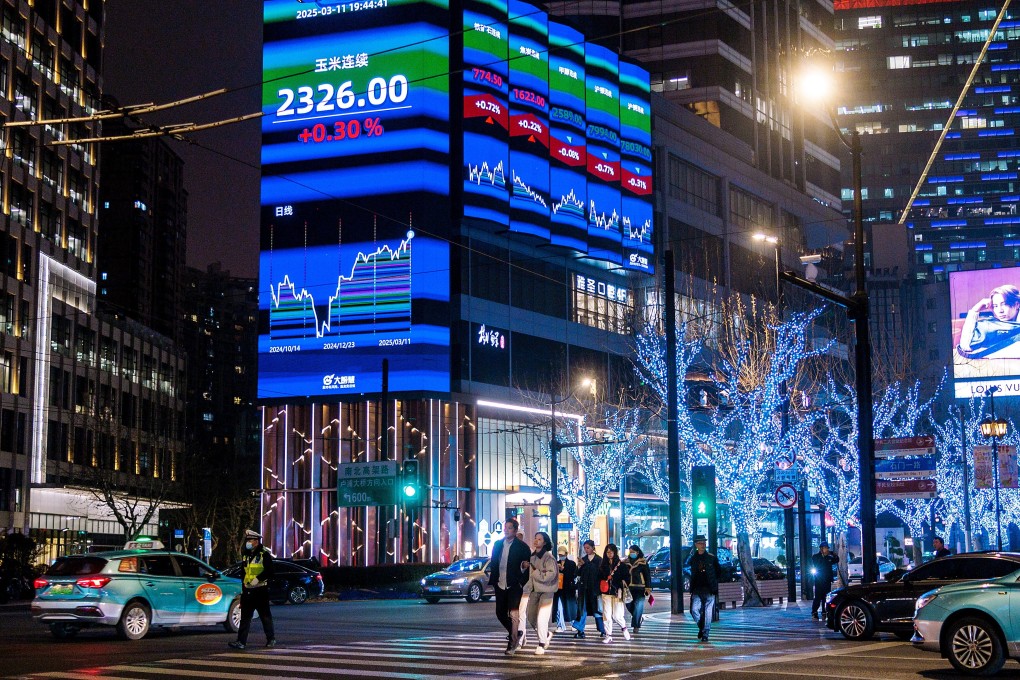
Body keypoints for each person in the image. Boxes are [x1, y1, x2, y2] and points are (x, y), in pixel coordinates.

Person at [488, 518, 530, 655]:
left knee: (513, 613)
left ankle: (512, 642)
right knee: (500, 613)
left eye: (509, 528)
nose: (506, 530)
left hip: (514, 584)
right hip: (499, 583)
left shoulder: (522, 547)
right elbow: (494, 562)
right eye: (505, 527)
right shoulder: (498, 544)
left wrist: (520, 582)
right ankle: (515, 632)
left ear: (515, 530)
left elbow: (528, 567)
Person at [229, 529, 276, 650]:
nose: (248, 542)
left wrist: (258, 579)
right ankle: (241, 642)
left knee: (265, 616)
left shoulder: (264, 554)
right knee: (245, 618)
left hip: (260, 590)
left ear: (256, 541)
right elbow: (244, 572)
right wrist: (244, 589)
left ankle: (271, 639)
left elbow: (270, 572)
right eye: (247, 540)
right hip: (248, 591)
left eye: (250, 540)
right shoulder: (246, 554)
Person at [958, 284, 1020, 358]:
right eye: (995, 306)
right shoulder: (989, 326)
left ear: (1016, 305)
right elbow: (965, 346)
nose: (1000, 310)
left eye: (1004, 304)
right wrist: (974, 311)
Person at [523, 531, 558, 655]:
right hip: (535, 590)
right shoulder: (532, 557)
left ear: (544, 542)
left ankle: (541, 643)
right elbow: (531, 575)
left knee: (542, 618)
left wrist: (536, 572)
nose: (536, 540)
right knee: (531, 616)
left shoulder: (549, 557)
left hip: (547, 590)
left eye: (539, 539)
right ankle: (546, 634)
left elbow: (551, 574)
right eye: (535, 538)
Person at [687, 535, 721, 642]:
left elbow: (719, 571)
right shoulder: (693, 558)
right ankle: (702, 626)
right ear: (696, 544)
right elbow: (691, 572)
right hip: (697, 588)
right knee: (693, 610)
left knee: (707, 611)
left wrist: (715, 584)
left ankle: (705, 633)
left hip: (709, 588)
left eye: (704, 543)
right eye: (700, 543)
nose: (703, 545)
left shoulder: (711, 557)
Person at [597, 543, 631, 644]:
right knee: (606, 615)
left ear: (615, 552)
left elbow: (627, 578)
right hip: (606, 592)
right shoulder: (603, 565)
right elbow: (598, 578)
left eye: (611, 552)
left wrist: (619, 585)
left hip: (617, 592)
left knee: (617, 615)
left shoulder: (621, 565)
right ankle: (608, 635)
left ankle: (624, 628)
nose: (609, 554)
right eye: (608, 552)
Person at [572, 539, 606, 639]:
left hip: (595, 589)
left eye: (588, 548)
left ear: (593, 547)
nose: (586, 550)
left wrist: (584, 564)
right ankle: (580, 630)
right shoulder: (584, 559)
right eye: (585, 548)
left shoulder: (599, 560)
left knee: (597, 610)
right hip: (584, 589)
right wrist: (579, 566)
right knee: (582, 609)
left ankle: (603, 630)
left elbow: (600, 573)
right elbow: (577, 574)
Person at [625, 545, 651, 633]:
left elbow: (647, 575)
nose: (631, 553)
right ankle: (638, 617)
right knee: (628, 604)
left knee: (638, 606)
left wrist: (648, 587)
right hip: (629, 587)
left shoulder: (643, 562)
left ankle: (636, 626)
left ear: (637, 552)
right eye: (630, 552)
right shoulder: (626, 562)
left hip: (640, 587)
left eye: (633, 552)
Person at [810, 543, 839, 620]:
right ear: (821, 548)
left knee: (826, 597)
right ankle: (814, 612)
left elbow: (836, 560)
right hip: (819, 580)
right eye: (825, 548)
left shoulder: (829, 558)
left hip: (827, 580)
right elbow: (818, 564)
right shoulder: (816, 557)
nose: (827, 549)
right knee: (818, 597)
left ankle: (824, 612)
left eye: (827, 548)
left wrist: (833, 554)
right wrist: (824, 556)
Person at [553, 546, 577, 632]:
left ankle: (574, 624)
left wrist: (564, 570)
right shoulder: (555, 563)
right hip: (559, 589)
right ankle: (560, 625)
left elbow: (573, 575)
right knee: (559, 607)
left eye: (562, 554)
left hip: (568, 588)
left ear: (566, 554)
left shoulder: (571, 564)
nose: (561, 556)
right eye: (559, 555)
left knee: (570, 607)